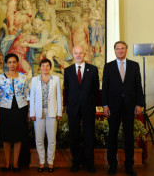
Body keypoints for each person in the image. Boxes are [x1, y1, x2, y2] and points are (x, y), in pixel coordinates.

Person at [102, 41, 144, 176]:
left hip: (129, 106)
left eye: (122, 48)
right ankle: (112, 166)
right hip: (113, 107)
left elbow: (138, 87)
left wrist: (139, 104)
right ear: (114, 50)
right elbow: (105, 88)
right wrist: (105, 105)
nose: (120, 51)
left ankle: (129, 166)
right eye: (118, 48)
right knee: (112, 136)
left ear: (126, 50)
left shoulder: (134, 65)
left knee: (129, 137)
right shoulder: (108, 67)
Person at [63, 45, 99, 173]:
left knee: (89, 136)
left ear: (84, 54)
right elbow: (67, 89)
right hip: (73, 109)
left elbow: (95, 89)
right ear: (72, 54)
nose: (78, 55)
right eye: (76, 53)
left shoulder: (93, 69)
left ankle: (90, 164)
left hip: (88, 108)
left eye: (80, 53)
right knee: (74, 137)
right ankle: (76, 163)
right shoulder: (67, 71)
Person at [0, 53, 29, 173]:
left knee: (18, 136)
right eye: (9, 62)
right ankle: (7, 163)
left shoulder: (23, 77)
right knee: (6, 137)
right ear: (6, 63)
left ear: (17, 63)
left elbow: (27, 95)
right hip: (5, 109)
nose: (12, 64)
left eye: (14, 62)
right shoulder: (0, 78)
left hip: (20, 108)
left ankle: (15, 164)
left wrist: (29, 111)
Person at [29, 59, 62, 172]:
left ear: (50, 67)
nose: (45, 68)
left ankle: (51, 162)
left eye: (47, 66)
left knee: (52, 139)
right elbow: (32, 96)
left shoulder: (56, 79)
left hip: (52, 112)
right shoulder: (34, 80)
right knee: (39, 139)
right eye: (43, 66)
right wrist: (32, 113)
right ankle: (42, 162)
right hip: (38, 112)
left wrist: (59, 112)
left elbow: (59, 96)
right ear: (40, 67)